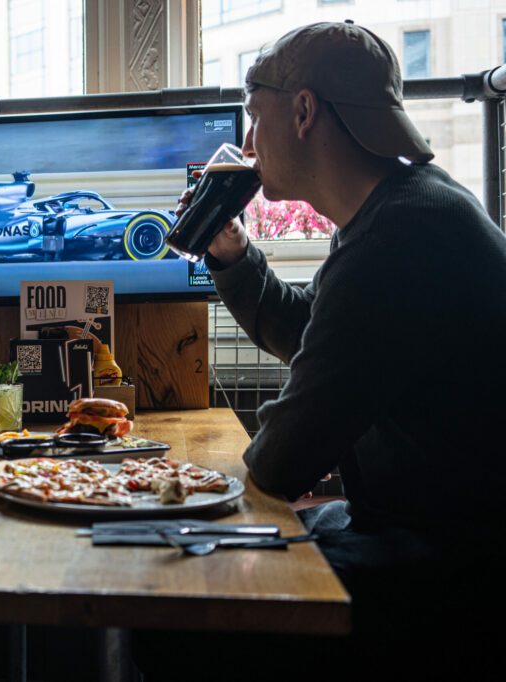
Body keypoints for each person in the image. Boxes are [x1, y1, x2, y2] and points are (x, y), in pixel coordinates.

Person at [175, 20, 506, 659]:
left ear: (303, 111)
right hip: (425, 525)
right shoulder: (403, 210)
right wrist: (232, 253)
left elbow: (281, 462)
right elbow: (314, 334)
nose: (246, 141)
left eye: (253, 114)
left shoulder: (398, 242)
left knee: (185, 608)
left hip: (461, 561)